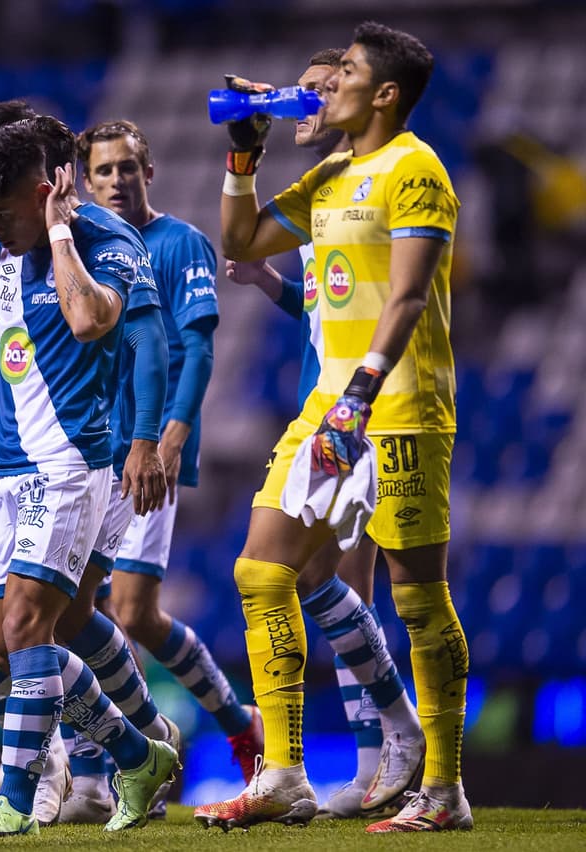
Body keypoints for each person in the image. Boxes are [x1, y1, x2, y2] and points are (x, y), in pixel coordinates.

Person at [193, 22, 469, 833]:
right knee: (261, 570)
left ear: (383, 93)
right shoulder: (331, 171)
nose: (326, 85)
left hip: (400, 406)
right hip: (328, 405)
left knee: (419, 600)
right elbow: (238, 241)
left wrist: (361, 395)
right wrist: (244, 155)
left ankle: (444, 789)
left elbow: (410, 297)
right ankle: (282, 774)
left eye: (344, 72)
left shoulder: (416, 170)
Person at [0, 118, 178, 837]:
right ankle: (137, 752)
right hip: (7, 472)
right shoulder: (0, 245)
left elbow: (95, 324)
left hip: (71, 466)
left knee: (34, 621)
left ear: (44, 192)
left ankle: (21, 800)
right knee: (14, 642)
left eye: (4, 214)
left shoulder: (106, 243)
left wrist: (59, 233)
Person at [224, 48, 423, 821]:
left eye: (316, 91)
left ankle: (384, 757)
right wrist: (272, 282)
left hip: (369, 407)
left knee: (352, 584)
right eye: (298, 93)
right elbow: (323, 313)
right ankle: (381, 753)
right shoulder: (318, 197)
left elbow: (397, 299)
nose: (302, 104)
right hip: (329, 400)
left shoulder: (377, 180)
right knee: (315, 583)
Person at [73, 119, 265, 800]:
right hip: (85, 449)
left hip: (146, 451)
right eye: (104, 171)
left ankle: (123, 762)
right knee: (117, 613)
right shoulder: (79, 246)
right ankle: (230, 725)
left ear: (148, 173)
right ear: (84, 180)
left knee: (121, 607)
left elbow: (199, 348)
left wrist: (171, 434)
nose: (118, 180)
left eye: (128, 168)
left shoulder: (180, 242)